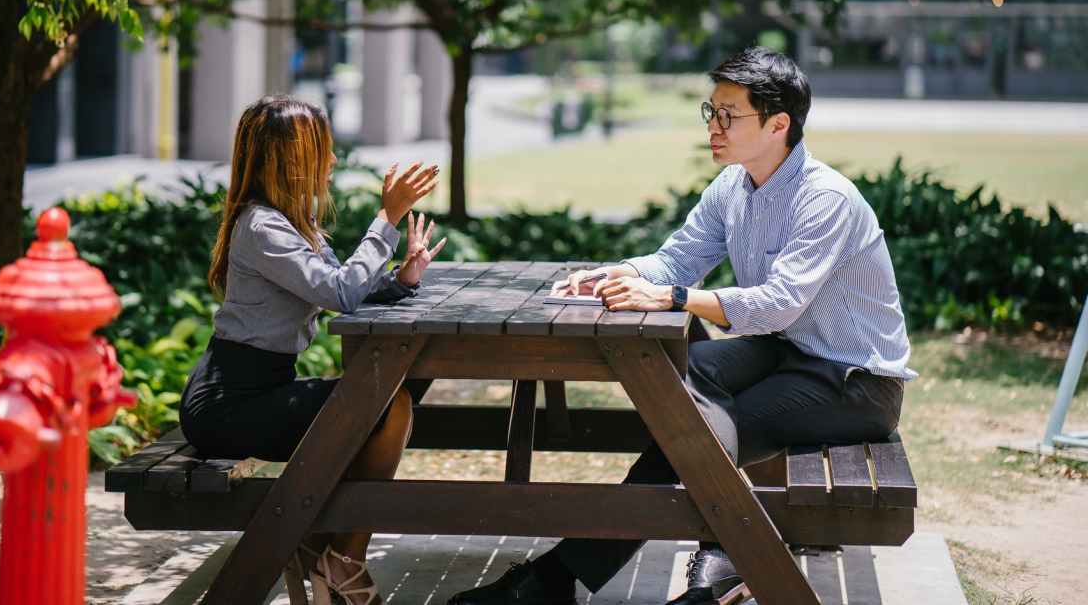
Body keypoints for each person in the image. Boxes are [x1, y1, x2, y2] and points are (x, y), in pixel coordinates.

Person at [448, 47, 914, 605]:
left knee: (690, 433)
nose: (713, 126)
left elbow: (778, 304)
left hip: (855, 382)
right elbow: (679, 258)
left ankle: (572, 578)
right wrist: (616, 274)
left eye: (729, 115)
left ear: (778, 124)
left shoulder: (825, 199)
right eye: (711, 111)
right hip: (788, 352)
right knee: (677, 381)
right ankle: (713, 563)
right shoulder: (733, 187)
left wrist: (671, 297)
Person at [180, 95, 446, 605]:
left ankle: (330, 548)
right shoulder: (262, 227)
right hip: (228, 405)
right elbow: (339, 293)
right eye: (323, 149)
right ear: (291, 158)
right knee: (387, 406)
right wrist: (387, 219)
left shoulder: (289, 221)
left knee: (386, 403)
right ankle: (340, 559)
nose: (334, 160)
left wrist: (401, 280)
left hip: (260, 389)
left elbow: (342, 283)